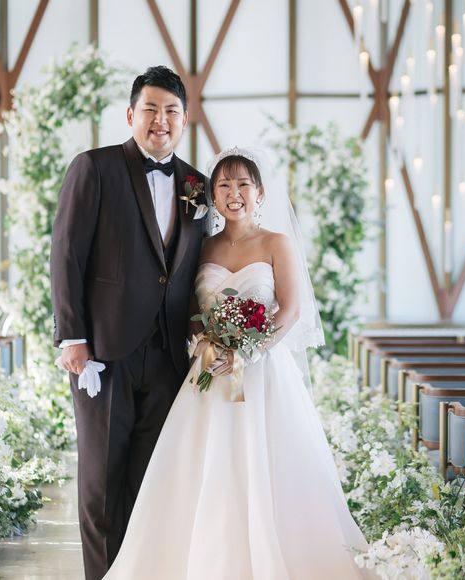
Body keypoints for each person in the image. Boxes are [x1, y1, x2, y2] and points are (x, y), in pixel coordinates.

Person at [102, 148, 371, 580]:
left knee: (269, 468)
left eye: (243, 184)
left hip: (264, 374)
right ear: (213, 195)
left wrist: (247, 351)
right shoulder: (201, 245)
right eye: (224, 185)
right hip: (210, 372)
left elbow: (290, 309)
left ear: (259, 192)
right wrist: (206, 346)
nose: (234, 193)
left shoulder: (276, 243)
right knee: (203, 469)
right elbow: (189, 309)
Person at [50, 66, 208, 579]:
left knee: (151, 481)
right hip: (104, 352)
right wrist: (72, 337)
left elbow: (198, 266)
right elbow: (66, 254)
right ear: (130, 114)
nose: (161, 120)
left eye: (171, 111)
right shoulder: (94, 168)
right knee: (101, 482)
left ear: (185, 120)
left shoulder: (198, 185)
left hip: (169, 356)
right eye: (151, 109)